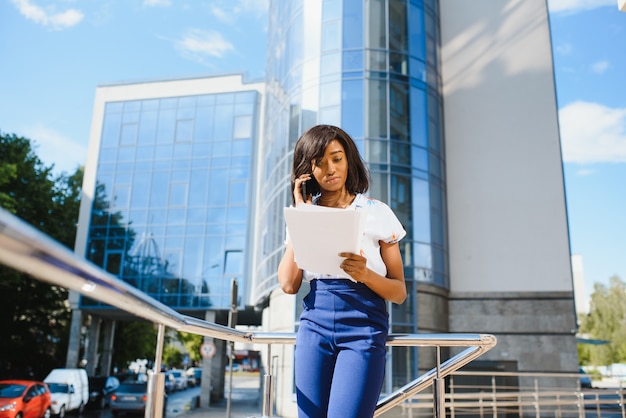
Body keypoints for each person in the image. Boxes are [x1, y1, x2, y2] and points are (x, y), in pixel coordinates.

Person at [278, 124, 407, 418]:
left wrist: (366, 275)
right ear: (307, 171)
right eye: (319, 163)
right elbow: (288, 284)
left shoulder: (377, 211)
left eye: (337, 158)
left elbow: (399, 292)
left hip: (364, 325)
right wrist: (301, 216)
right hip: (314, 324)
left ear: (349, 159)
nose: (330, 169)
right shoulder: (303, 213)